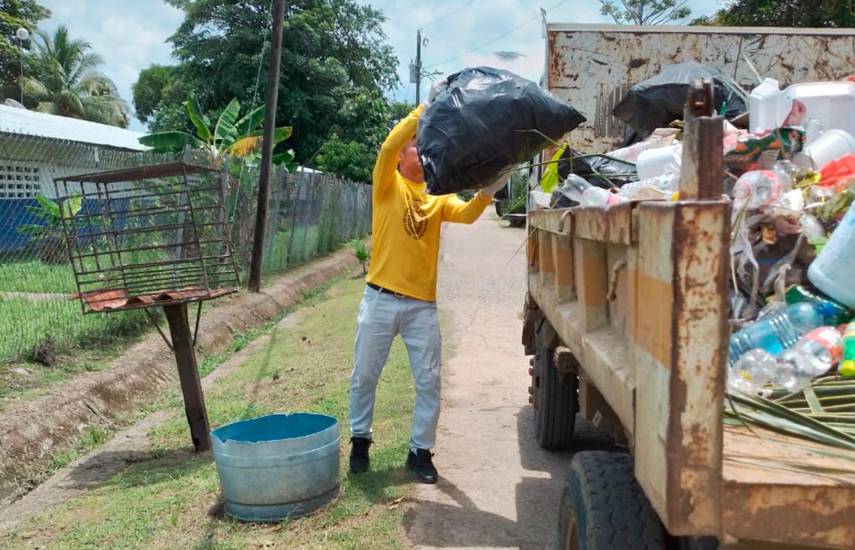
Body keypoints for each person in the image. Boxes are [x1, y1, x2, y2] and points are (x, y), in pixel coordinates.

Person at [348, 85, 507, 484]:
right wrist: (426, 107)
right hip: (380, 298)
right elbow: (387, 147)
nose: (420, 148)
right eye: (414, 145)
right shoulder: (388, 185)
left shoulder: (437, 195)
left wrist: (488, 191)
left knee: (429, 381)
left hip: (421, 305)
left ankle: (420, 452)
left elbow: (468, 215)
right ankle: (360, 440)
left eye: (421, 144)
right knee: (365, 374)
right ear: (402, 157)